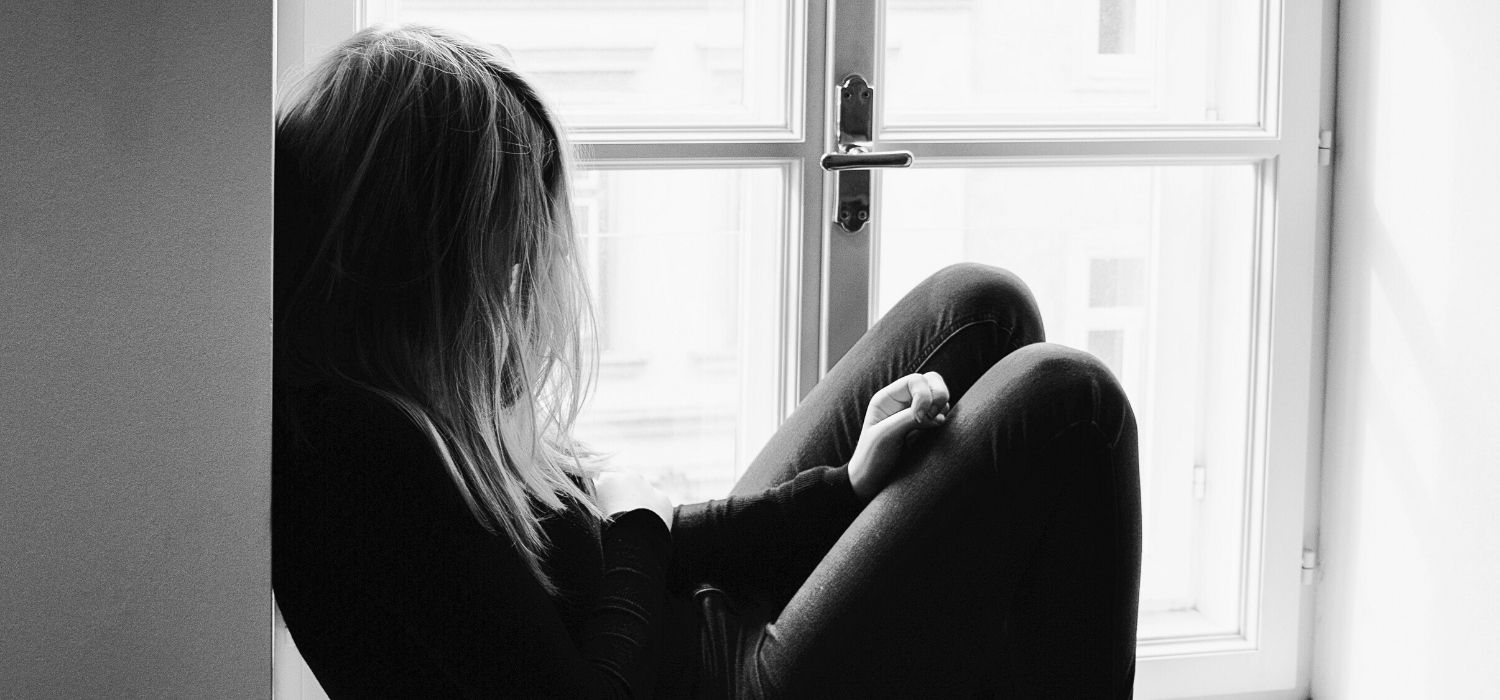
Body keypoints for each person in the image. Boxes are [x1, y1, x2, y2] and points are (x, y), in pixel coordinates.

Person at [273, 24, 1142, 699]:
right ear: (411, 263)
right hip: (726, 684)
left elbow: (606, 560)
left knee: (979, 307)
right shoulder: (361, 461)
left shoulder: (409, 397)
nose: (514, 290)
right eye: (497, 262)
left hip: (695, 630)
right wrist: (640, 524)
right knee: (1070, 404)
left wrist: (844, 486)